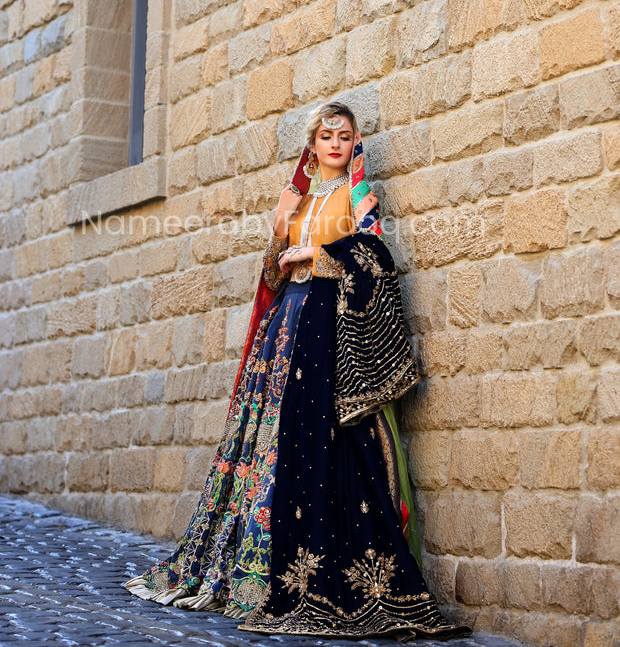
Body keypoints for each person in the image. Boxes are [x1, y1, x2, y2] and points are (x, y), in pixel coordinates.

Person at [125, 100, 470, 640]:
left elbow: (376, 259)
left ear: (355, 144)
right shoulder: (298, 197)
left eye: (345, 135)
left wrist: (317, 254)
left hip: (328, 331)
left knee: (329, 445)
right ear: (311, 145)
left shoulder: (360, 197)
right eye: (325, 135)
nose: (335, 142)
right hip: (286, 330)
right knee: (271, 445)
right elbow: (270, 271)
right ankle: (253, 567)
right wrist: (283, 228)